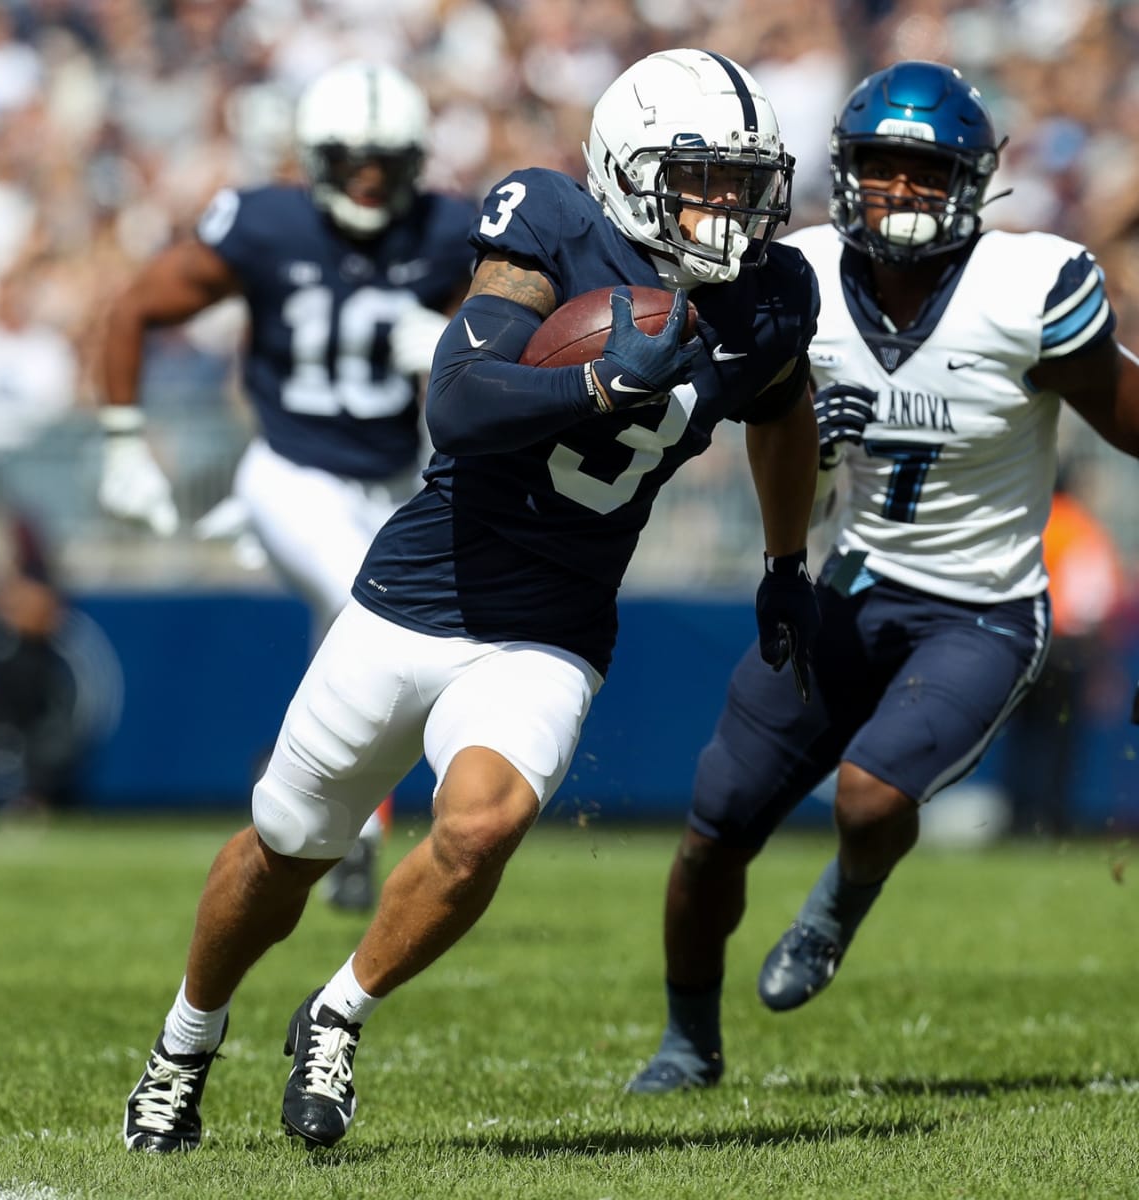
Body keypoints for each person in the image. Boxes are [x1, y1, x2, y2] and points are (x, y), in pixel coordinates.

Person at [121, 46, 822, 1153]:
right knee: (285, 845)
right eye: (700, 180)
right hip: (417, 594)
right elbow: (459, 396)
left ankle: (338, 1012)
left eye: (743, 180)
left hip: (552, 627)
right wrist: (592, 382)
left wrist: (786, 563)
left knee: (483, 824)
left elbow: (784, 408)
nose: (727, 206)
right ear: (625, 171)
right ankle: (182, 1042)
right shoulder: (549, 222)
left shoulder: (772, 293)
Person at [627, 59, 1139, 1095]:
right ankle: (687, 1040)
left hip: (982, 606)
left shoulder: (1028, 288)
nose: (902, 189)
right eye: (882, 166)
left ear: (971, 180)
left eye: (925, 169)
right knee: (713, 825)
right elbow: (748, 443)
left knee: (868, 797)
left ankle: (838, 906)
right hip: (846, 588)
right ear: (847, 170)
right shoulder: (792, 274)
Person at [97, 61, 479, 911]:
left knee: (360, 648)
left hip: (392, 480)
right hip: (287, 471)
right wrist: (122, 444)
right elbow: (132, 310)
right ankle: (351, 817)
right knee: (371, 618)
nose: (371, 180)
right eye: (353, 160)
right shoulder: (265, 225)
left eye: (388, 162)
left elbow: (533, 335)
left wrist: (460, 338)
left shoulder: (452, 231)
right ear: (315, 158)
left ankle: (306, 793)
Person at [1000, 463, 1125, 836]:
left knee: (1021, 737)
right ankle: (1049, 820)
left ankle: (1017, 818)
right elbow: (1094, 599)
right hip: (1065, 646)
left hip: (1019, 639)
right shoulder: (1081, 529)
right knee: (1058, 740)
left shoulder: (1028, 522)